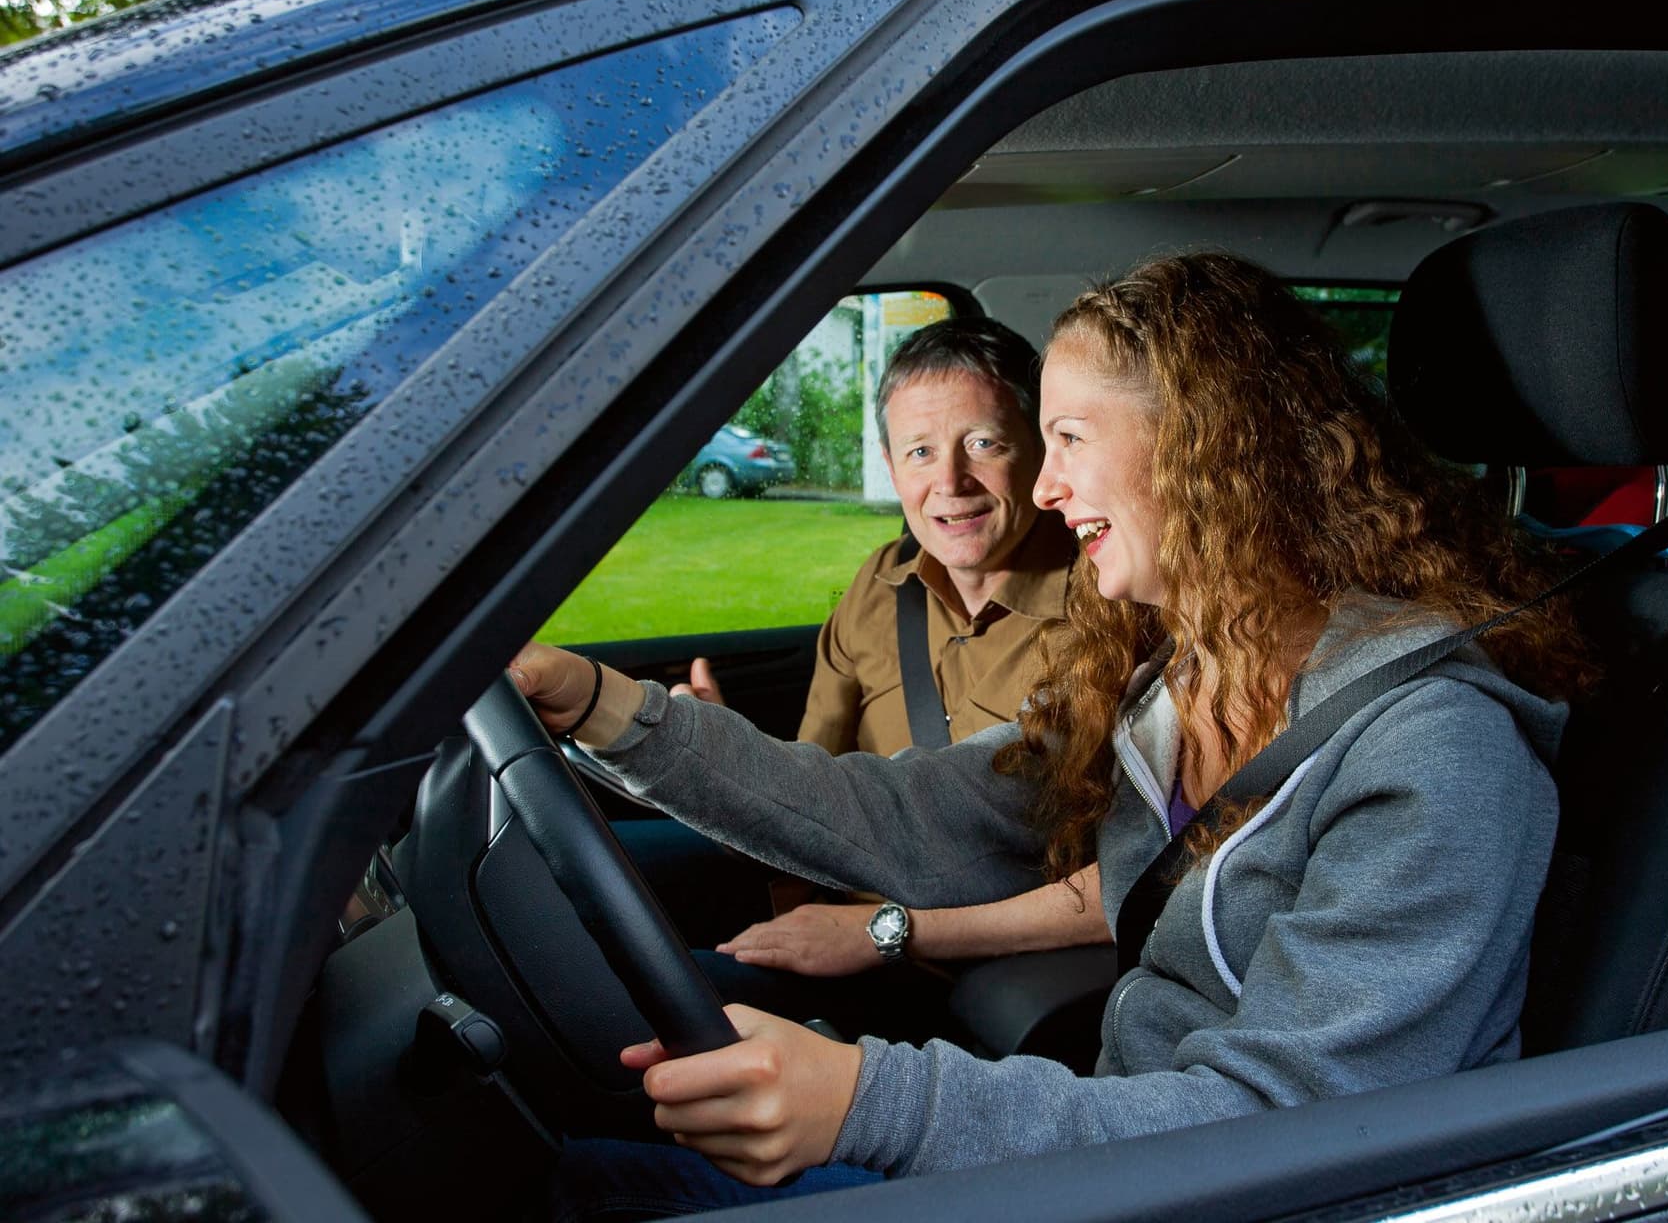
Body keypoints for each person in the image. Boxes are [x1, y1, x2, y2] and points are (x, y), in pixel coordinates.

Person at [513, 253, 1588, 1212]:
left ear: (1205, 449)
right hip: (1111, 1146)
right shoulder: (1170, 675)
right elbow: (897, 813)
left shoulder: (1437, 749)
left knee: (595, 1186)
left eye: (1067, 437)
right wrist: (603, 706)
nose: (1042, 483)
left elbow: (1291, 1129)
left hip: (1221, 1186)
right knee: (582, 1161)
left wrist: (870, 1100)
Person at [614, 317, 1099, 1030]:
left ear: (1041, 452)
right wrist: (724, 749)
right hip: (832, 897)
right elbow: (815, 781)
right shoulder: (881, 584)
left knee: (634, 1007)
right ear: (890, 462)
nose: (950, 483)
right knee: (573, 894)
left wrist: (875, 934)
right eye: (920, 452)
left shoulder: (1105, 615)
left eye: (984, 444)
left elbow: (1109, 872)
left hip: (961, 965)